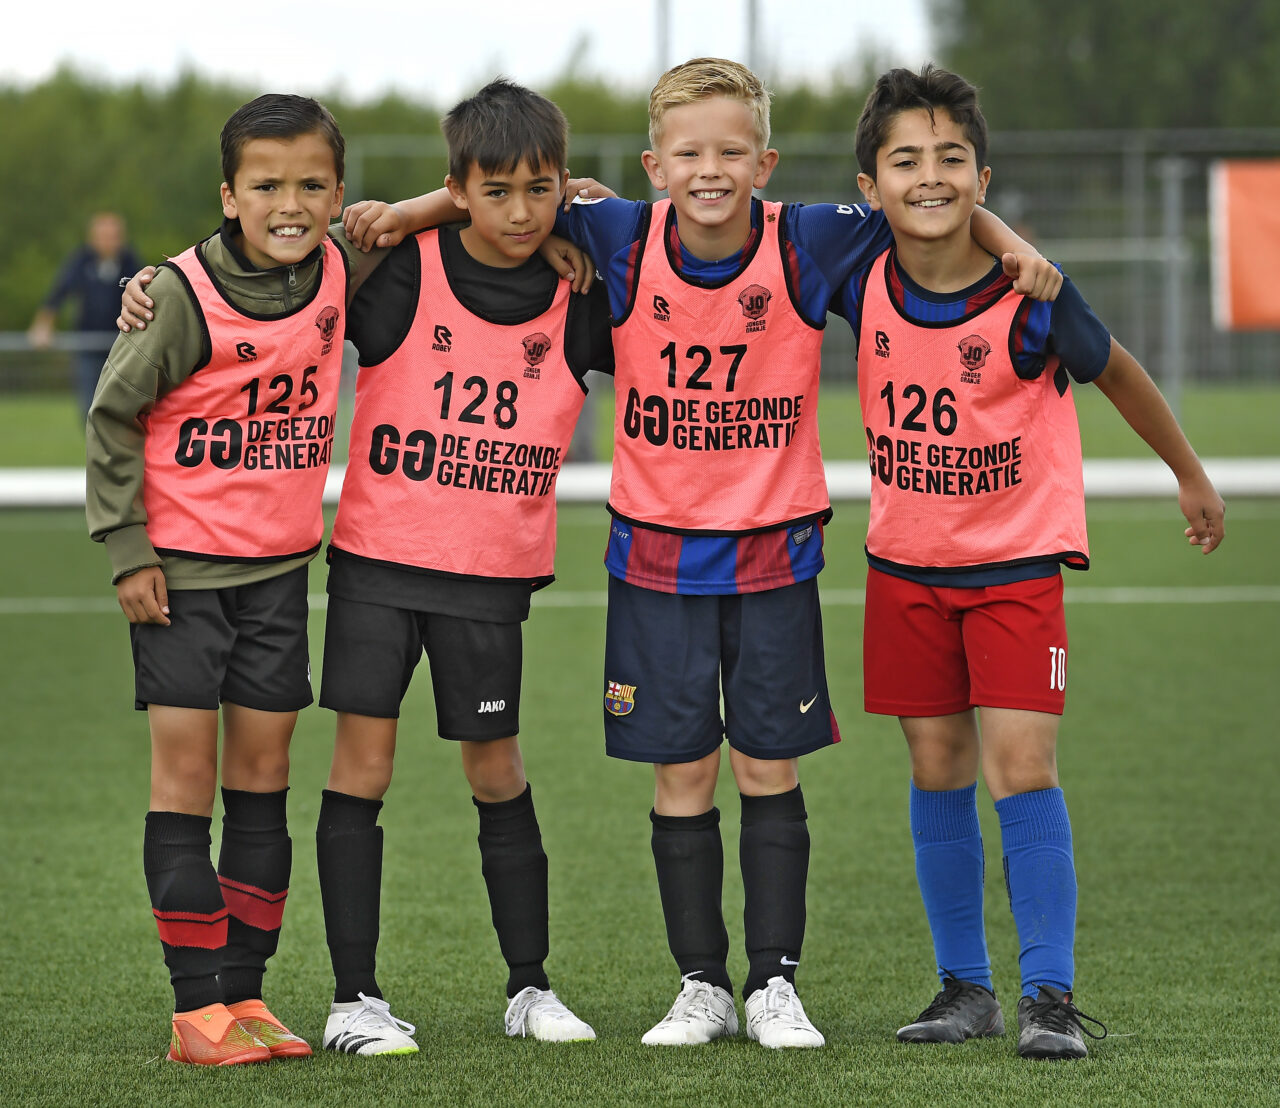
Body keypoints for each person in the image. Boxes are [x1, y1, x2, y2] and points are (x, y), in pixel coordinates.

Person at [356, 56, 1061, 1049]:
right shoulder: (614, 232)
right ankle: (701, 984)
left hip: (775, 562)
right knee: (679, 776)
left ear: (763, 161)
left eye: (731, 150)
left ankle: (773, 983)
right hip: (654, 564)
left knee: (770, 771)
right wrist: (408, 211)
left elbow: (925, 213)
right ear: (654, 165)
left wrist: (1007, 236)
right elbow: (508, 189)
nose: (710, 169)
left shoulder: (807, 239)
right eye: (687, 152)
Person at [842, 64, 1224, 1059]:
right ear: (870, 183)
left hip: (1013, 569)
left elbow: (1119, 372)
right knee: (935, 766)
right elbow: (735, 231)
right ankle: (961, 985)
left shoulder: (1033, 297)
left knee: (1020, 768)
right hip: (903, 568)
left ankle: (1047, 996)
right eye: (904, 160)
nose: (928, 177)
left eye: (950, 158)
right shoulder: (851, 268)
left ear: (980, 172)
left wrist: (1186, 471)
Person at [297, 79, 609, 1053]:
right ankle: (354, 998)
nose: (521, 212)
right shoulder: (398, 272)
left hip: (487, 578)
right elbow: (289, 253)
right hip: (377, 566)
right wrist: (421, 209)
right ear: (458, 189)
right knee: (363, 768)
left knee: (496, 772)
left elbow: (647, 225)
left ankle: (530, 988)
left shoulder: (580, 289)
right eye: (496, 191)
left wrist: (582, 209)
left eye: (539, 189)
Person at [89, 93, 379, 1066]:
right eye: (266, 184)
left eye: (309, 183)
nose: (288, 202)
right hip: (180, 582)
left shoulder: (339, 266)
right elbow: (112, 417)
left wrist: (581, 199)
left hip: (277, 581)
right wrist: (129, 551)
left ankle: (247, 998)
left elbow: (435, 219)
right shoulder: (175, 293)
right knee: (186, 784)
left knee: (262, 786)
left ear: (338, 193)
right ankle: (193, 1012)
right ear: (229, 193)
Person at [29, 211, 142, 421]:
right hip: (87, 346)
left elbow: (144, 295)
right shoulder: (81, 260)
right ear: (92, 238)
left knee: (124, 405)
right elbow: (58, 293)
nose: (109, 241)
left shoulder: (130, 261)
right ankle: (96, 450)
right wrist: (43, 325)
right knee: (89, 408)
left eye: (114, 236)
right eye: (104, 236)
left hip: (123, 344)